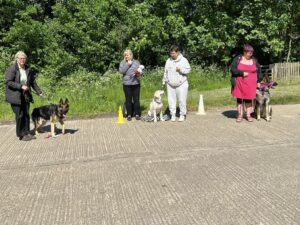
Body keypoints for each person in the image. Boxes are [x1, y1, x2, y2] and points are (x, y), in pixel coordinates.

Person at [5, 51, 42, 141]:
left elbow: (33, 82)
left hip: (26, 95)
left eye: (24, 58)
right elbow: (9, 82)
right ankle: (21, 134)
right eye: (20, 58)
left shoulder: (28, 69)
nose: (22, 60)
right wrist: (21, 86)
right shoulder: (12, 69)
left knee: (26, 114)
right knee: (20, 115)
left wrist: (39, 91)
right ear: (17, 59)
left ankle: (27, 133)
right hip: (15, 96)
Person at [230, 44, 262, 122]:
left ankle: (248, 115)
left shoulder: (254, 60)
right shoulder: (238, 59)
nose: (250, 54)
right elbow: (232, 69)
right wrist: (242, 73)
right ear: (244, 52)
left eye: (251, 52)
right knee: (240, 99)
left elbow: (259, 71)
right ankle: (240, 115)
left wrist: (258, 81)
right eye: (249, 52)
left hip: (251, 84)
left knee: (248, 99)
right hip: (239, 83)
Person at [162, 45, 191, 122]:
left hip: (181, 84)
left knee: (182, 100)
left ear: (178, 52)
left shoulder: (184, 60)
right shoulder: (168, 61)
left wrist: (181, 70)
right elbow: (165, 72)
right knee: (171, 100)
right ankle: (173, 115)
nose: (172, 55)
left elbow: (188, 70)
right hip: (170, 84)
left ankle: (182, 115)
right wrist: (164, 81)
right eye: (171, 53)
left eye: (173, 53)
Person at [119, 49, 143, 121]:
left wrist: (140, 73)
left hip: (136, 83)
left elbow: (141, 70)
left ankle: (137, 114)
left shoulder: (136, 62)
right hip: (127, 84)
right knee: (128, 100)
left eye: (128, 55)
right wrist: (128, 64)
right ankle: (129, 114)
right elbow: (121, 71)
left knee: (136, 99)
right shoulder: (123, 63)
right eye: (125, 55)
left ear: (131, 55)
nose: (126, 56)